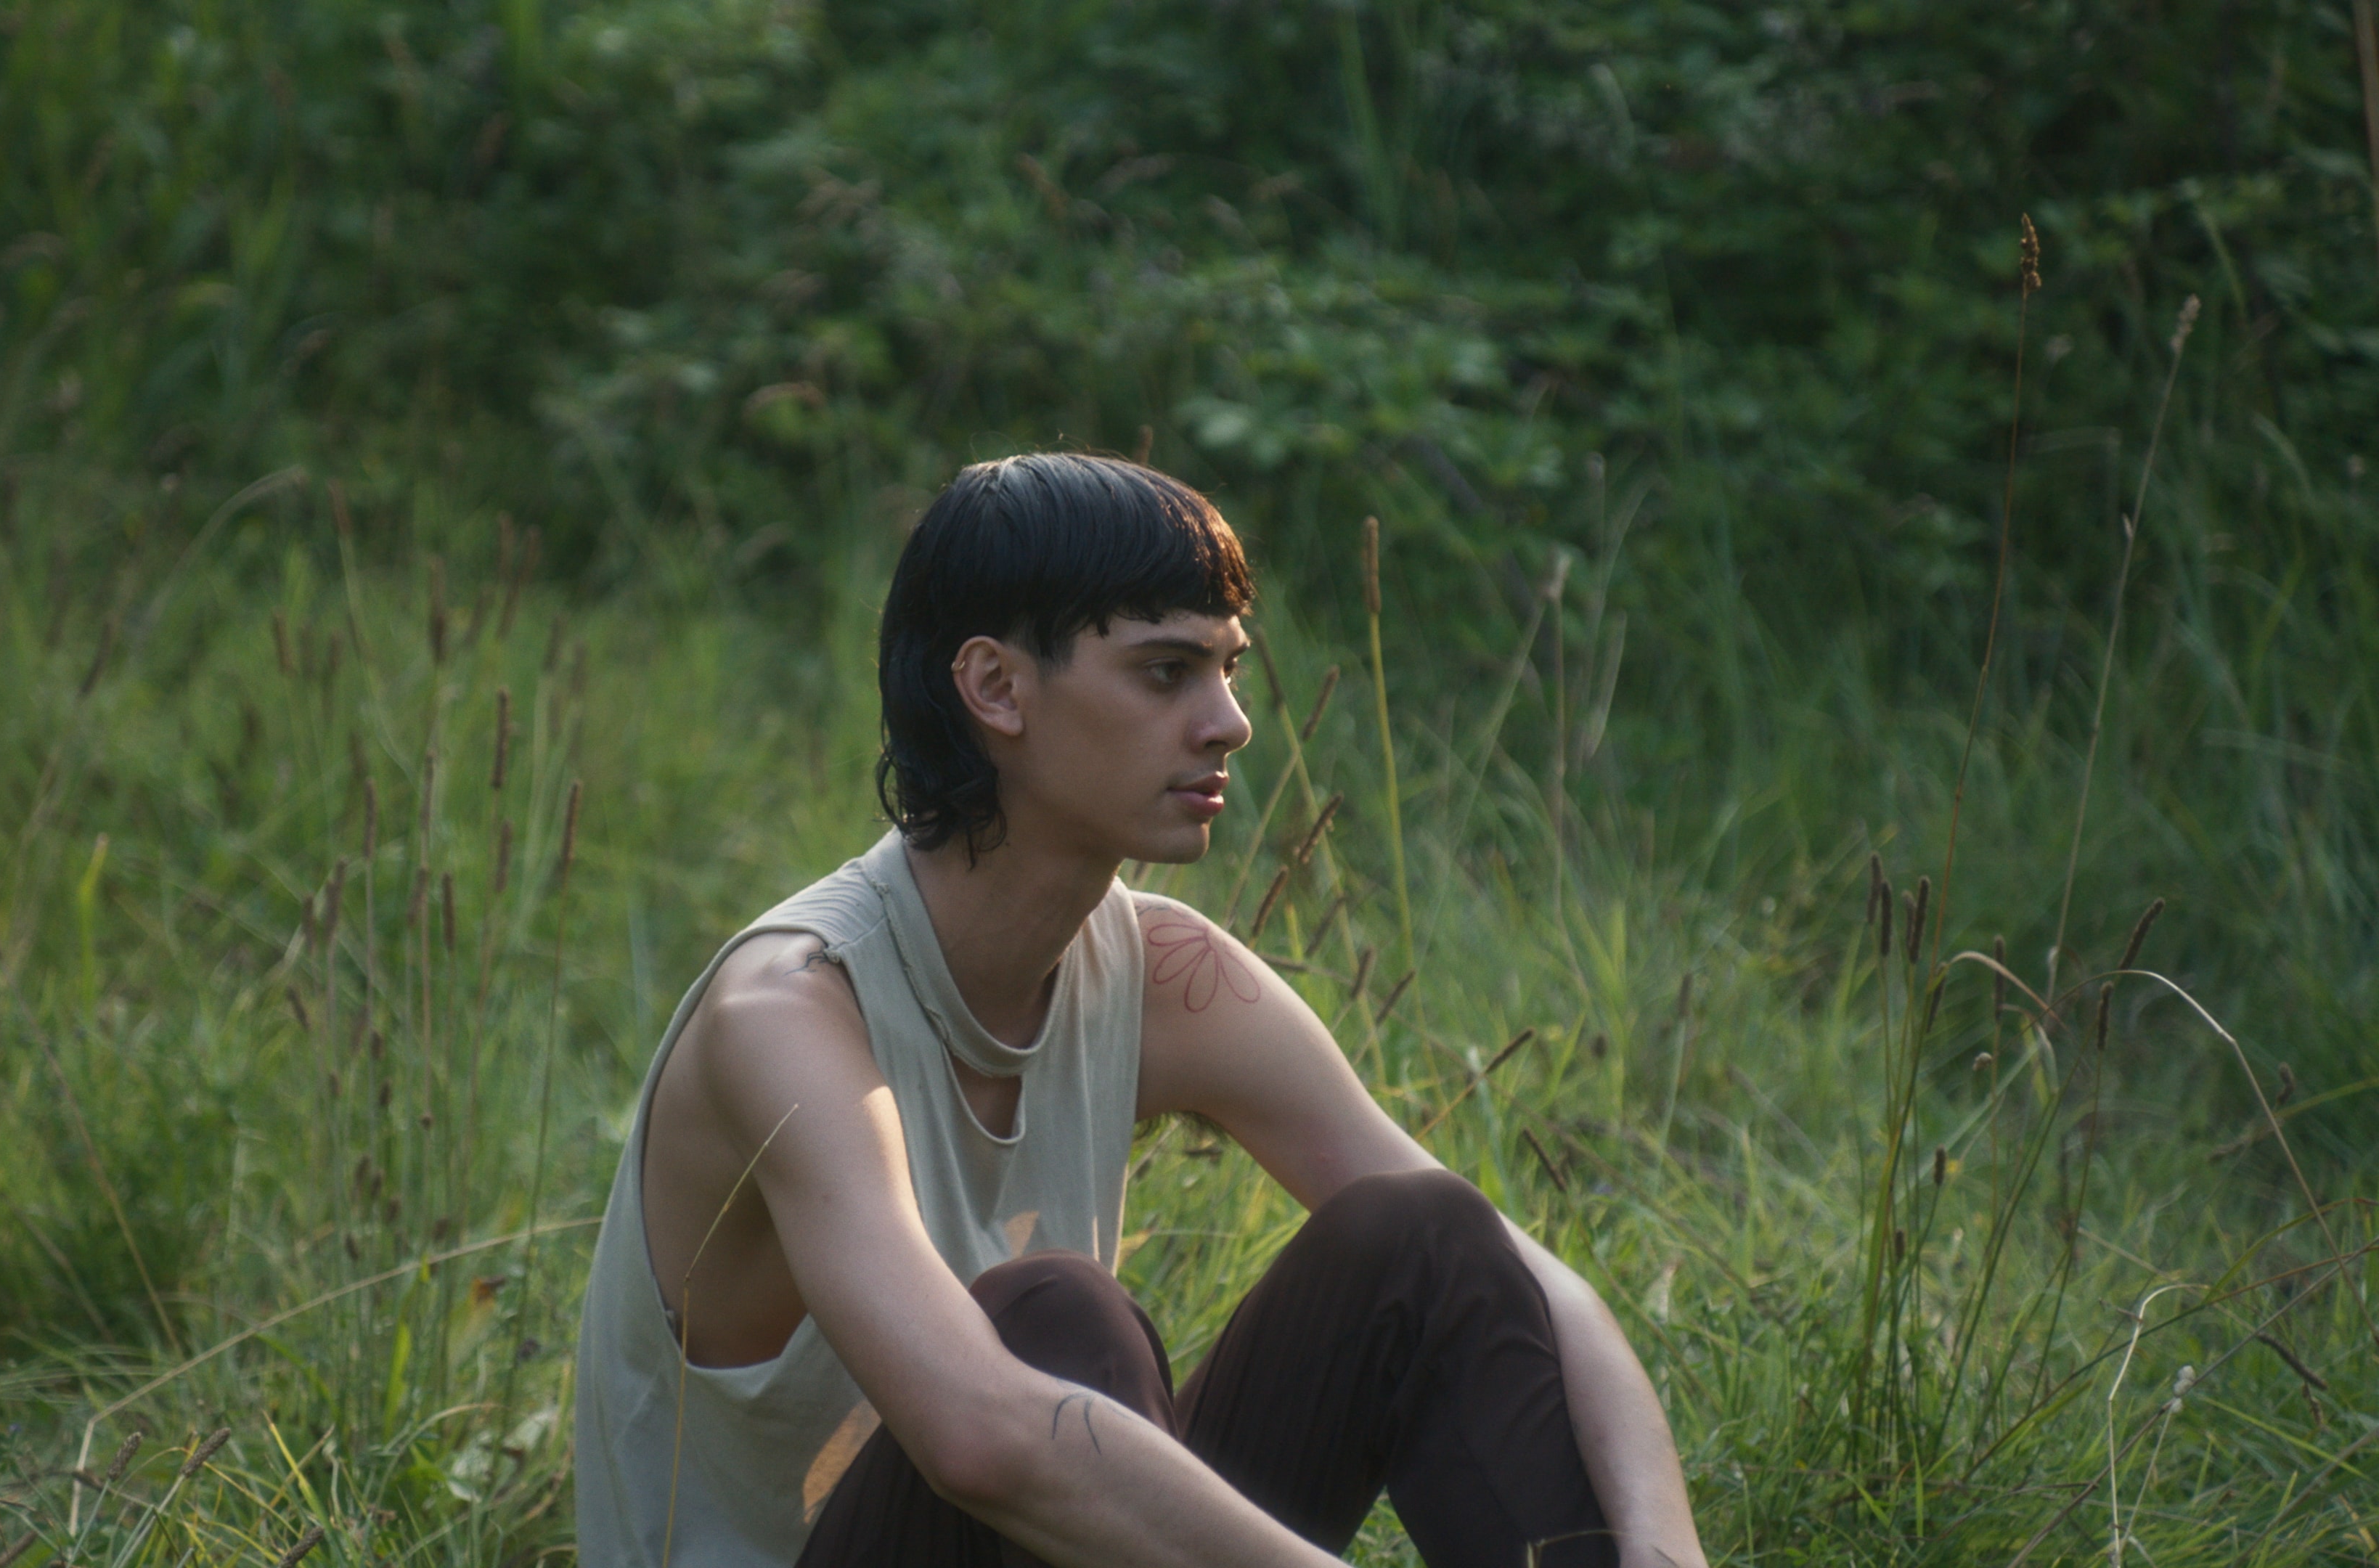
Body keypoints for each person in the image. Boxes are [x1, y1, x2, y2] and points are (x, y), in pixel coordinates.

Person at [574, 453, 1707, 1568]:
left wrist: (1665, 1549)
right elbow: (978, 1436)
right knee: (1056, 1323)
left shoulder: (1161, 971)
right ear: (996, 688)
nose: (1230, 723)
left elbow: (1539, 1293)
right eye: (1167, 673)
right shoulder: (786, 1014)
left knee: (1425, 1234)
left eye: (1228, 670)